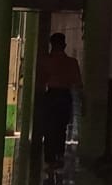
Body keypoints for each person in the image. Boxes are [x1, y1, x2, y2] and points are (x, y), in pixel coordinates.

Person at [34, 32, 83, 170]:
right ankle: (59, 155)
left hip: (51, 95)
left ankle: (50, 159)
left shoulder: (46, 61)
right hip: (65, 96)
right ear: (65, 45)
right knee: (61, 128)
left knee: (49, 128)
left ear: (52, 45)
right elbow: (78, 83)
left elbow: (41, 81)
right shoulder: (72, 63)